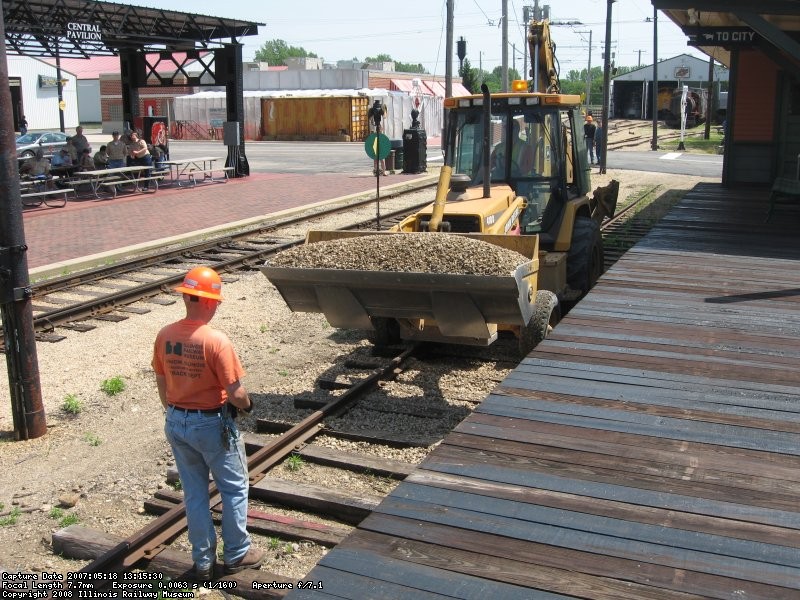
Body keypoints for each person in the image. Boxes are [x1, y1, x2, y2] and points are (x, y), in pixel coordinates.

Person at [152, 267, 264, 581]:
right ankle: (237, 553)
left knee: (195, 494)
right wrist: (248, 405)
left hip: (176, 420)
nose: (217, 306)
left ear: (187, 297)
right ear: (208, 302)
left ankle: (202, 562)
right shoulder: (216, 341)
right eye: (216, 301)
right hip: (211, 424)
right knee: (234, 488)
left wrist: (175, 413)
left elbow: (162, 381)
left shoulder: (165, 335)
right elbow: (236, 393)